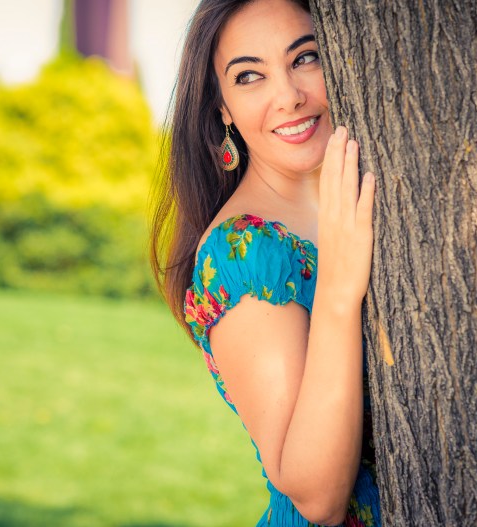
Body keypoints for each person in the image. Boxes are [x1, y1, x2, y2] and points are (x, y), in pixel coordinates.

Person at [149, 0, 381, 525]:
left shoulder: (364, 189)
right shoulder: (245, 254)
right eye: (250, 76)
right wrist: (339, 292)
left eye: (306, 58)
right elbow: (316, 495)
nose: (289, 96)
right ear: (222, 107)